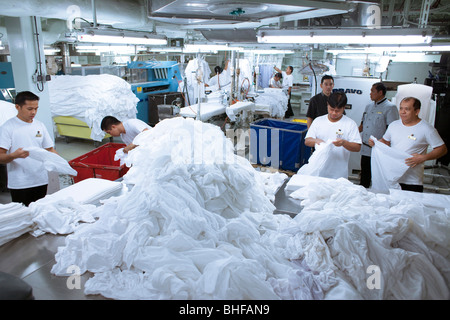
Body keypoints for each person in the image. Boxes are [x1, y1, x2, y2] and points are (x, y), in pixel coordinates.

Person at [370, 97, 447, 192]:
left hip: (412, 181)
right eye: (401, 108)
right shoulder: (394, 125)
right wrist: (376, 143)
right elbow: (386, 141)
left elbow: (442, 149)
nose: (402, 112)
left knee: (411, 206)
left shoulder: (426, 129)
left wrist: (423, 158)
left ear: (417, 111)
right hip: (393, 177)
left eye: (407, 109)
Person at [0, 91, 57, 206]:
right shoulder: (8, 127)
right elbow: (1, 157)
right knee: (24, 216)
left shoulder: (39, 125)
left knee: (41, 211)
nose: (34, 112)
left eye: (36, 108)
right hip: (20, 183)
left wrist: (65, 165)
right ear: (17, 107)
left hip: (40, 179)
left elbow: (50, 150)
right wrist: (13, 155)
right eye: (30, 109)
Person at [305, 92, 362, 179]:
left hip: (338, 174)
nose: (334, 113)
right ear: (327, 104)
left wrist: (344, 143)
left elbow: (357, 147)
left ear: (344, 108)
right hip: (318, 172)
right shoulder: (318, 121)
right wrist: (316, 141)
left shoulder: (350, 124)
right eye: (331, 109)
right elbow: (307, 141)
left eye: (338, 111)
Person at [359, 82, 399, 188]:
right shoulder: (368, 107)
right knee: (364, 176)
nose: (370, 93)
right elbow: (363, 124)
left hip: (378, 150)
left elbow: (393, 129)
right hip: (365, 148)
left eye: (372, 91)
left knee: (378, 177)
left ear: (380, 92)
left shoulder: (390, 108)